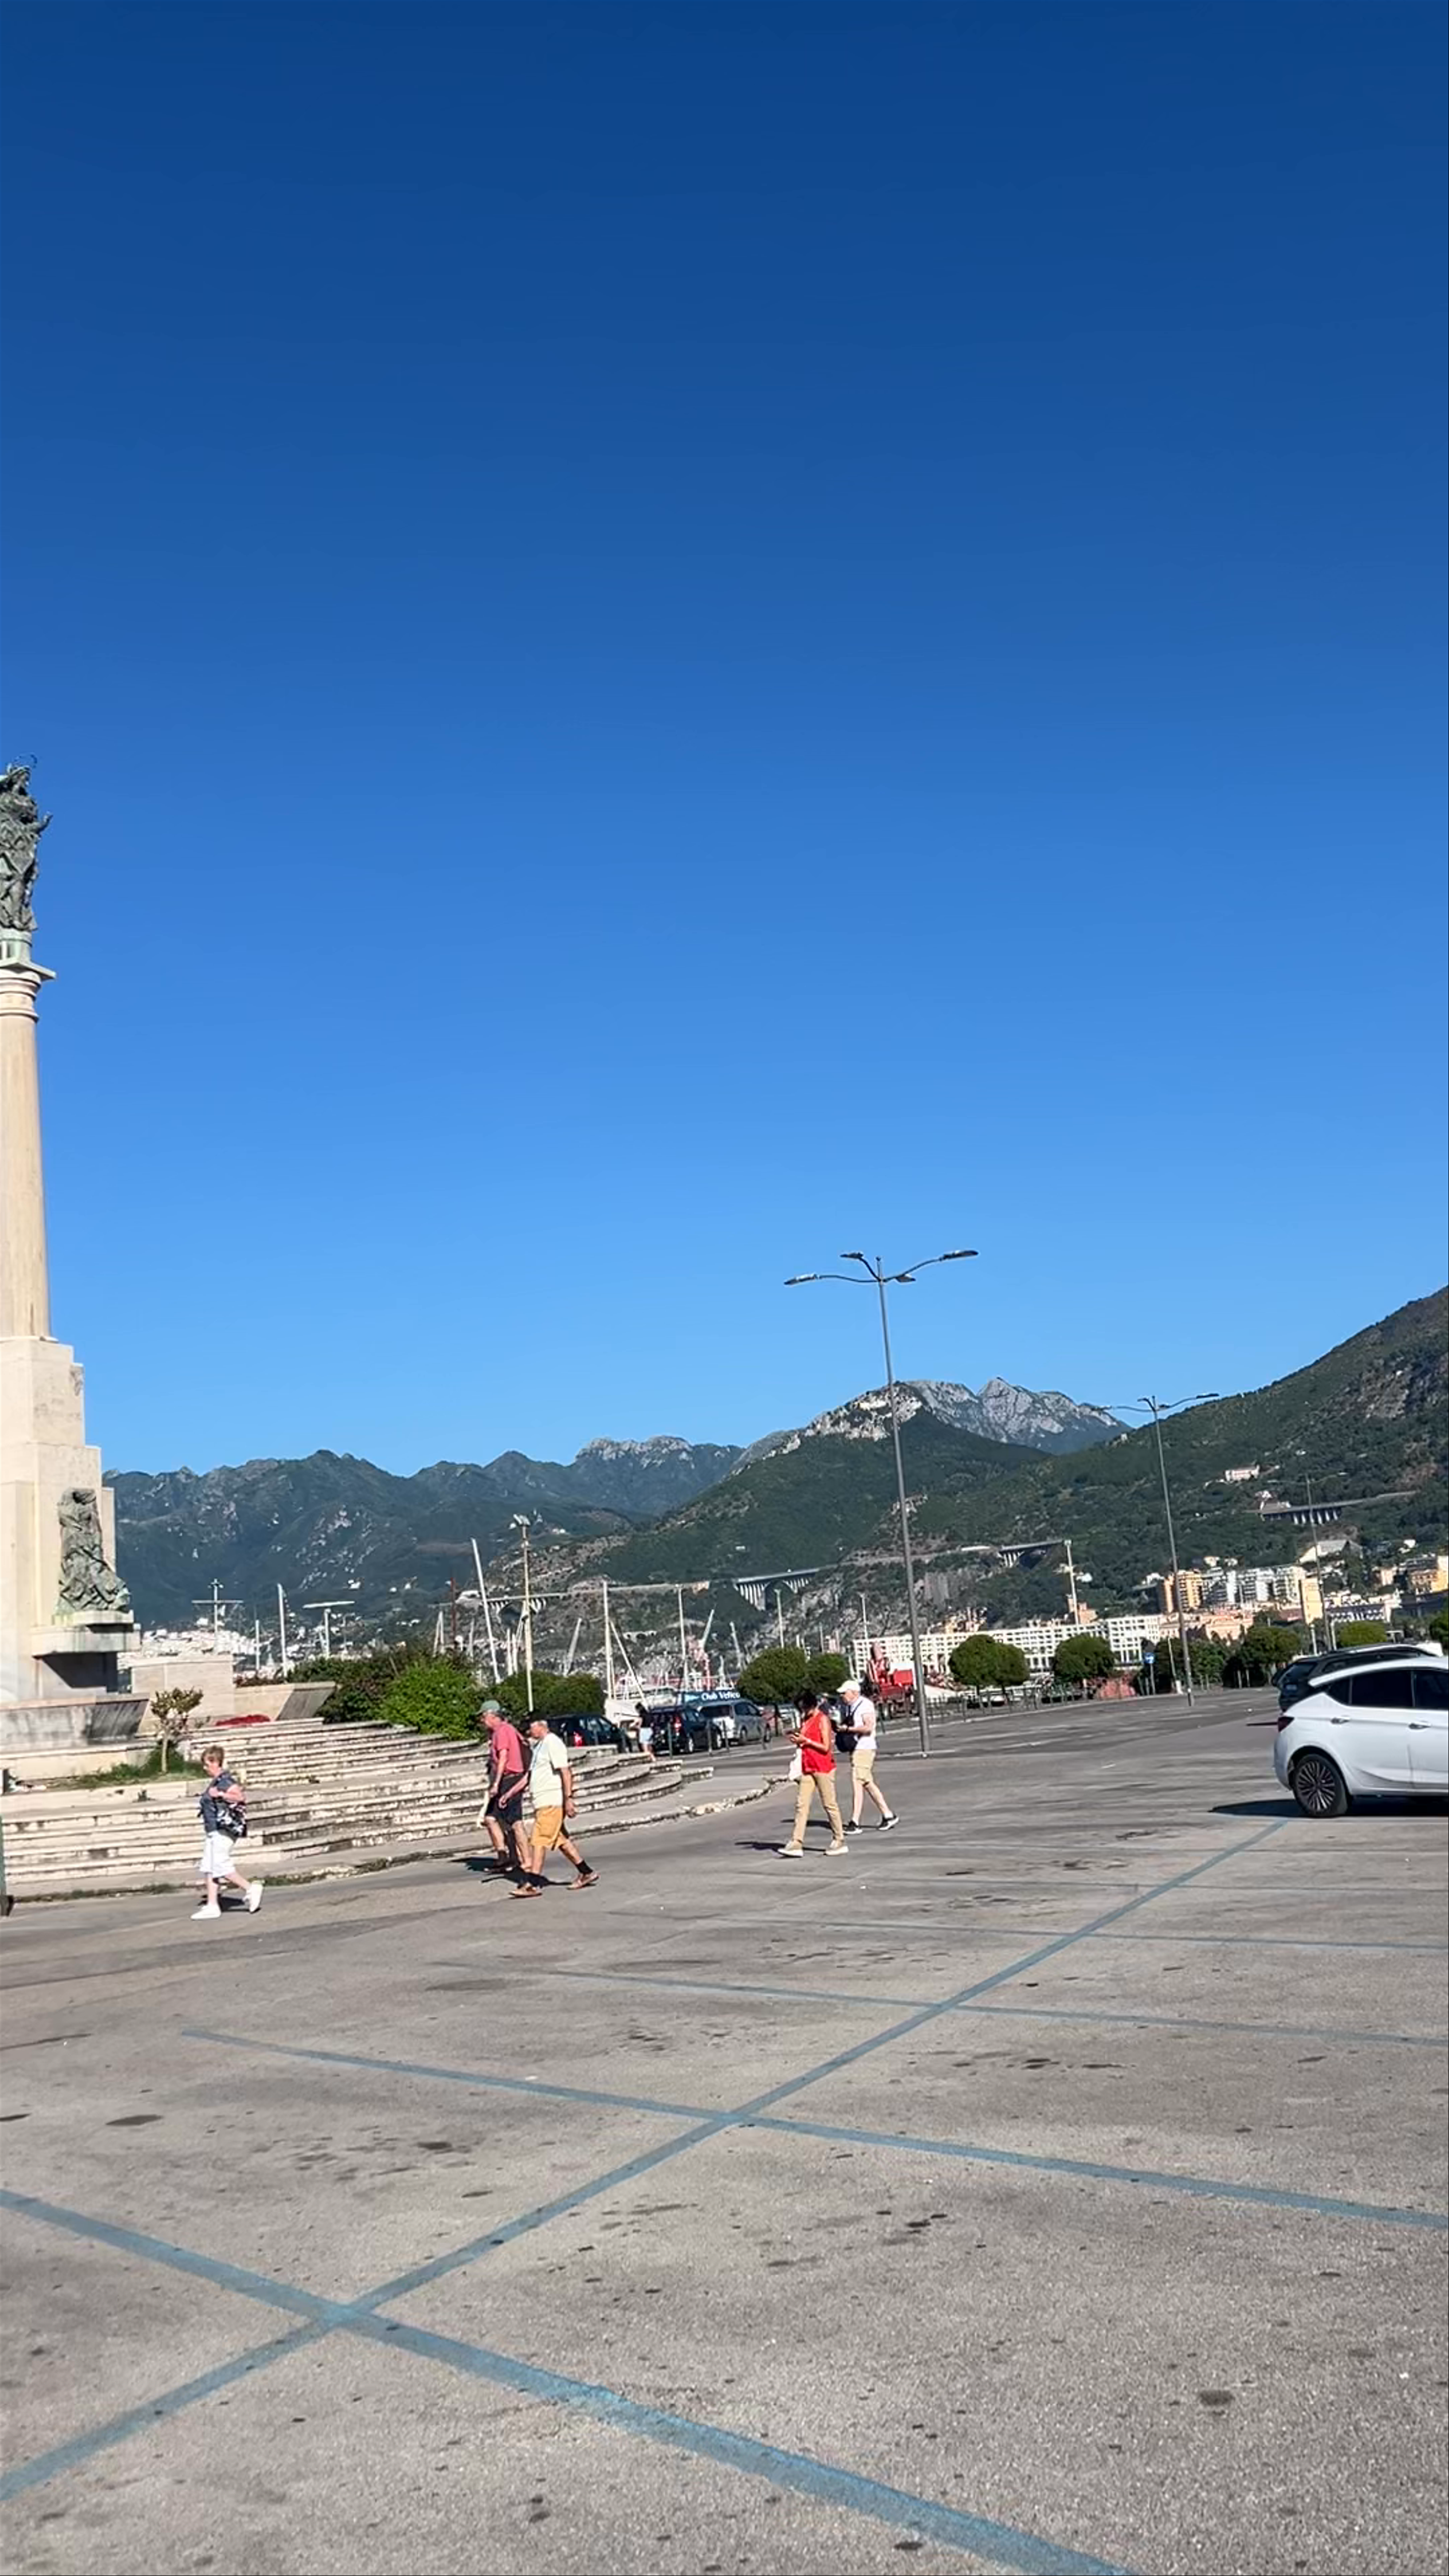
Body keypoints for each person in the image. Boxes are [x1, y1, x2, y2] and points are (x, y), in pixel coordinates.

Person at [513, 1714, 598, 1897]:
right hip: (543, 1802)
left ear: (540, 1726)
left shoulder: (553, 1743)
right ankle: (586, 1872)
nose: (529, 1732)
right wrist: (511, 1793)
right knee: (562, 1841)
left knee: (539, 1841)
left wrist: (569, 1798)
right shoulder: (540, 1746)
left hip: (551, 1802)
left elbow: (566, 1772)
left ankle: (533, 1884)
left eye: (531, 1728)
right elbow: (531, 1776)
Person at [192, 1747, 261, 1920]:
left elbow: (240, 1797)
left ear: (216, 1763)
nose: (205, 1768)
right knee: (210, 1868)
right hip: (213, 1830)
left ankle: (251, 1888)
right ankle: (212, 1905)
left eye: (207, 1764)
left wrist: (221, 1795)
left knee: (221, 1866)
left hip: (222, 1830)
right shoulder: (217, 1781)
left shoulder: (224, 1781)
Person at [780, 1688, 847, 1858]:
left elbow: (826, 1748)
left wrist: (807, 1741)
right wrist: (798, 1740)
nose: (804, 1711)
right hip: (808, 1767)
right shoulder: (806, 1720)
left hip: (823, 1767)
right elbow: (805, 1740)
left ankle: (839, 1839)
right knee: (801, 1805)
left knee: (829, 1804)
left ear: (812, 1705)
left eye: (805, 1708)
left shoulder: (823, 1720)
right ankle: (797, 1841)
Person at [839, 1678, 898, 1834]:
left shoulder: (865, 1705)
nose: (842, 1696)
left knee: (857, 1781)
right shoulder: (848, 1707)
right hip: (857, 1748)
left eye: (845, 1693)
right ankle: (888, 1814)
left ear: (854, 1693)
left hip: (865, 1748)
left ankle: (855, 1821)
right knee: (866, 1782)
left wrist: (848, 1730)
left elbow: (869, 1727)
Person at [477, 1700, 529, 1873]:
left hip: (510, 1779)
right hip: (510, 1778)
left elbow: (504, 1757)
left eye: (483, 1718)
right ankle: (509, 1857)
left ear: (491, 1716)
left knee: (510, 1822)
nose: (482, 1722)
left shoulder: (502, 1731)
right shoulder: (507, 1730)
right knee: (498, 1820)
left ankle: (520, 1859)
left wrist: (497, 1784)